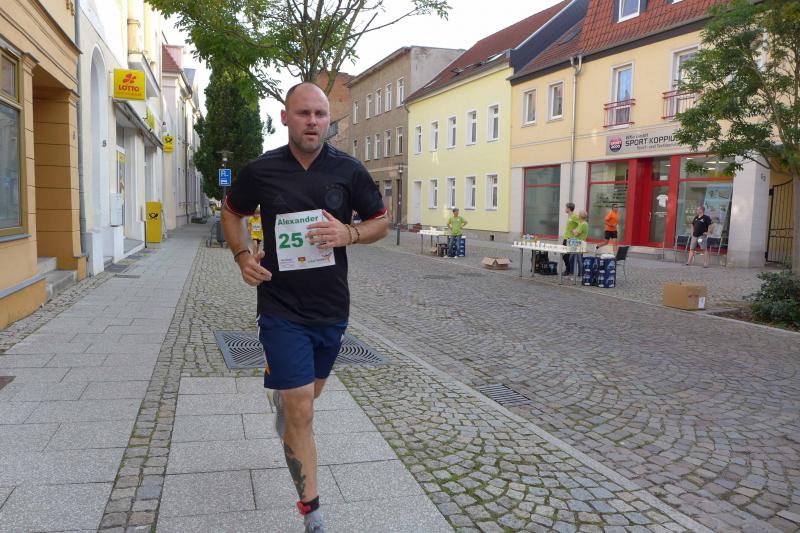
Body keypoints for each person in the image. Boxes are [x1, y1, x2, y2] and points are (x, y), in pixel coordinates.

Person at [221, 82, 388, 533]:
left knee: (308, 397)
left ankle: (286, 402)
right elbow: (232, 212)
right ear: (285, 117)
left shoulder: (349, 170)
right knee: (301, 409)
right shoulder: (262, 170)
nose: (313, 121)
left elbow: (380, 222)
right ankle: (312, 512)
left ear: (328, 121)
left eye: (320, 114)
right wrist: (242, 256)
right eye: (303, 113)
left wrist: (349, 234)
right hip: (279, 306)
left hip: (331, 308)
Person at [562, 202, 578, 274]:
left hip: (570, 239)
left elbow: (581, 224)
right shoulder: (570, 216)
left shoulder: (574, 216)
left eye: (566, 208)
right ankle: (568, 269)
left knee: (566, 255)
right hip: (566, 237)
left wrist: (575, 230)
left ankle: (568, 270)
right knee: (564, 254)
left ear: (569, 208)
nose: (565, 209)